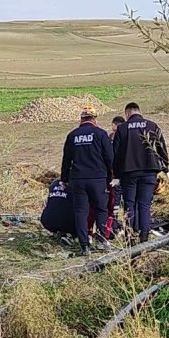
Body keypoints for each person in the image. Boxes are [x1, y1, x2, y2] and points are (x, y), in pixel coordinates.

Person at [113, 102, 169, 243]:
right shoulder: (152, 126)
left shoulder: (122, 128)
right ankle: (144, 237)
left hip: (129, 173)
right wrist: (165, 168)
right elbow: (161, 147)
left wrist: (116, 174)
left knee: (129, 204)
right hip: (149, 172)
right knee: (144, 205)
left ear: (127, 113)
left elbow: (115, 153)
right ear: (139, 111)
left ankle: (130, 237)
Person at [60, 107, 114, 256]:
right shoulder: (101, 134)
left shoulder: (72, 135)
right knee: (101, 209)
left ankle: (84, 246)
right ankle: (102, 240)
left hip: (78, 179)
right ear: (94, 119)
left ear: (81, 119)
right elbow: (110, 158)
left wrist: (64, 179)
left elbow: (66, 160)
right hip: (98, 178)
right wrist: (111, 177)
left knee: (80, 212)